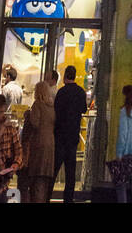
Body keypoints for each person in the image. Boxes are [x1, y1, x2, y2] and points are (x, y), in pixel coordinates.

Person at [53, 64, 88, 203]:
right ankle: (68, 199)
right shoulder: (80, 92)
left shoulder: (61, 93)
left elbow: (55, 111)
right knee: (70, 172)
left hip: (60, 136)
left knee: (54, 169)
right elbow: (84, 109)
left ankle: (47, 193)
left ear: (65, 76)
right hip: (73, 136)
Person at [26, 78, 56, 203]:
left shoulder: (37, 105)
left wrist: (27, 115)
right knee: (44, 179)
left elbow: (35, 123)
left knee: (37, 179)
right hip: (50, 144)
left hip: (38, 144)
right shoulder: (52, 107)